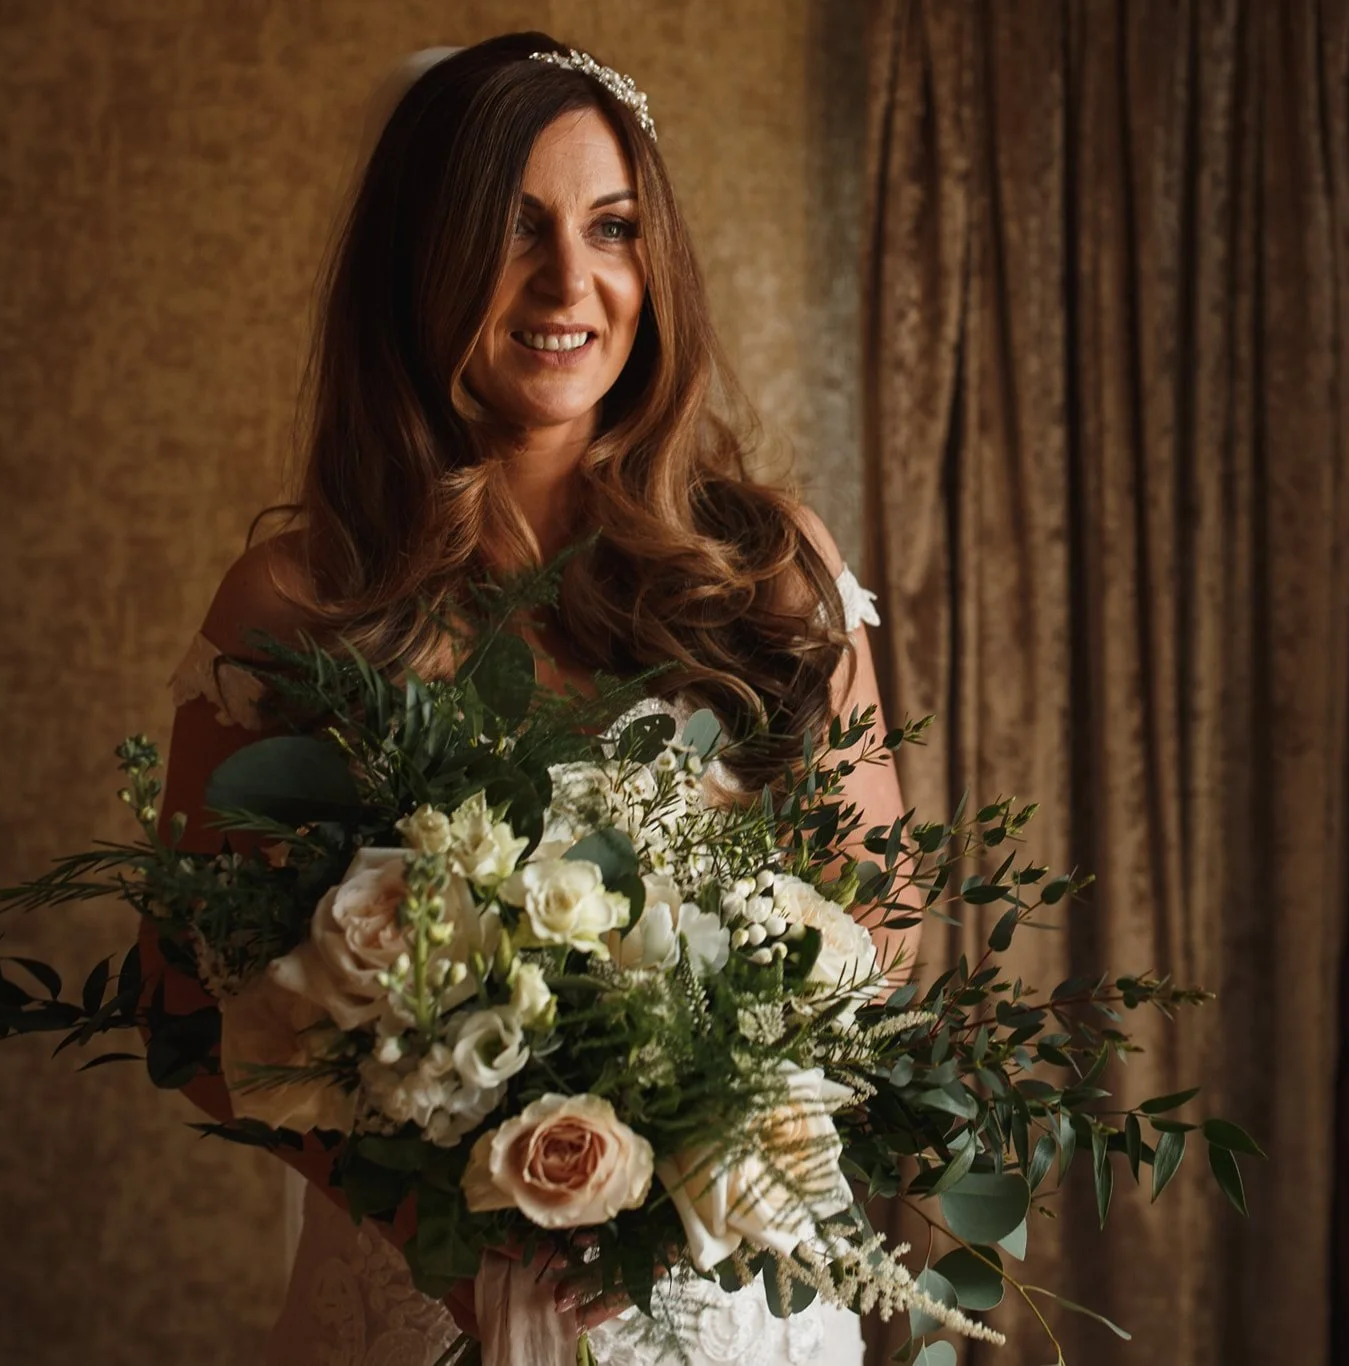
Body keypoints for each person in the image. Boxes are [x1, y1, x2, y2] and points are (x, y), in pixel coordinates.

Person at [150, 33, 907, 1366]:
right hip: (417, 1308)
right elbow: (175, 1000)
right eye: (513, 228)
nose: (571, 279)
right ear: (418, 260)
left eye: (611, 226)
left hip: (728, 1305)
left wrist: (702, 1137)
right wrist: (441, 1219)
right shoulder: (299, 601)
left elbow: (883, 918)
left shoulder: (771, 566)